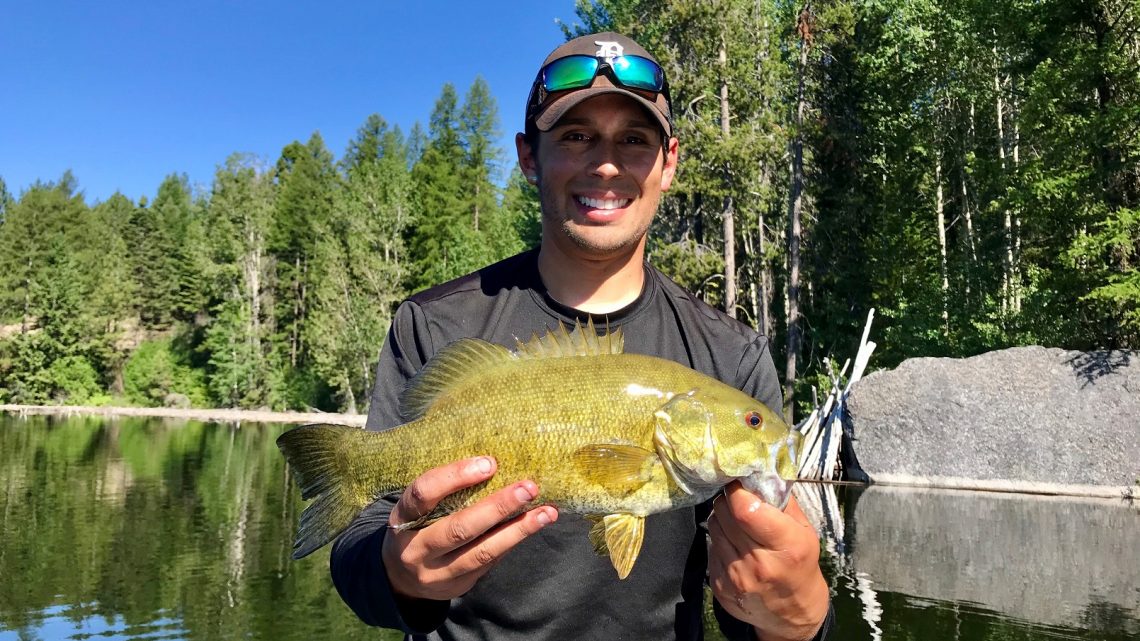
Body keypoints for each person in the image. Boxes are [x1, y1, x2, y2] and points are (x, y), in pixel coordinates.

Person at [329, 31, 834, 641]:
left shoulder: (732, 356)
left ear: (668, 163)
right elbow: (361, 548)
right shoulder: (434, 323)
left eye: (634, 139)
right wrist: (399, 573)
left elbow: (746, 610)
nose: (606, 163)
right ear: (528, 156)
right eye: (576, 136)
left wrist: (801, 619)